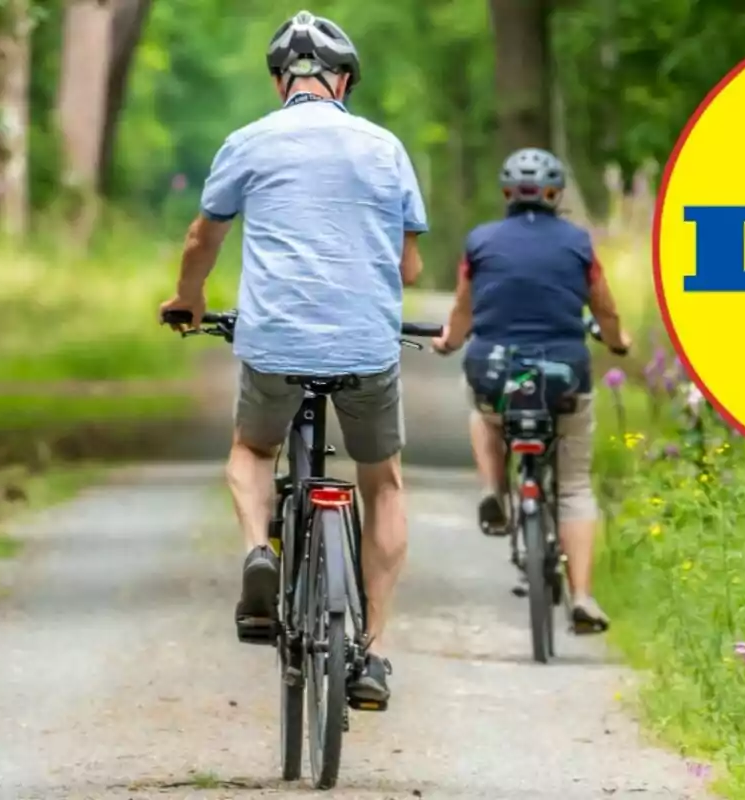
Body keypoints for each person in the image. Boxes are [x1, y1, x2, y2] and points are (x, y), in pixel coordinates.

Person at [158, 10, 427, 706]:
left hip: (275, 340)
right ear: (343, 81)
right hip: (367, 343)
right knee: (385, 480)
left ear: (282, 81)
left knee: (252, 449)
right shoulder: (384, 147)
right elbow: (411, 265)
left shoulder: (248, 141)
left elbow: (201, 239)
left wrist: (189, 300)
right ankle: (374, 655)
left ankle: (258, 550)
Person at [430, 147, 631, 633]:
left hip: (496, 371)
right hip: (564, 375)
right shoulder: (580, 243)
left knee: (483, 411)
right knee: (576, 486)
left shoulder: (480, 242)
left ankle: (493, 489)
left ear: (506, 193)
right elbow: (603, 308)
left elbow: (463, 310)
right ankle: (582, 596)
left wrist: (449, 341)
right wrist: (619, 341)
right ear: (555, 194)